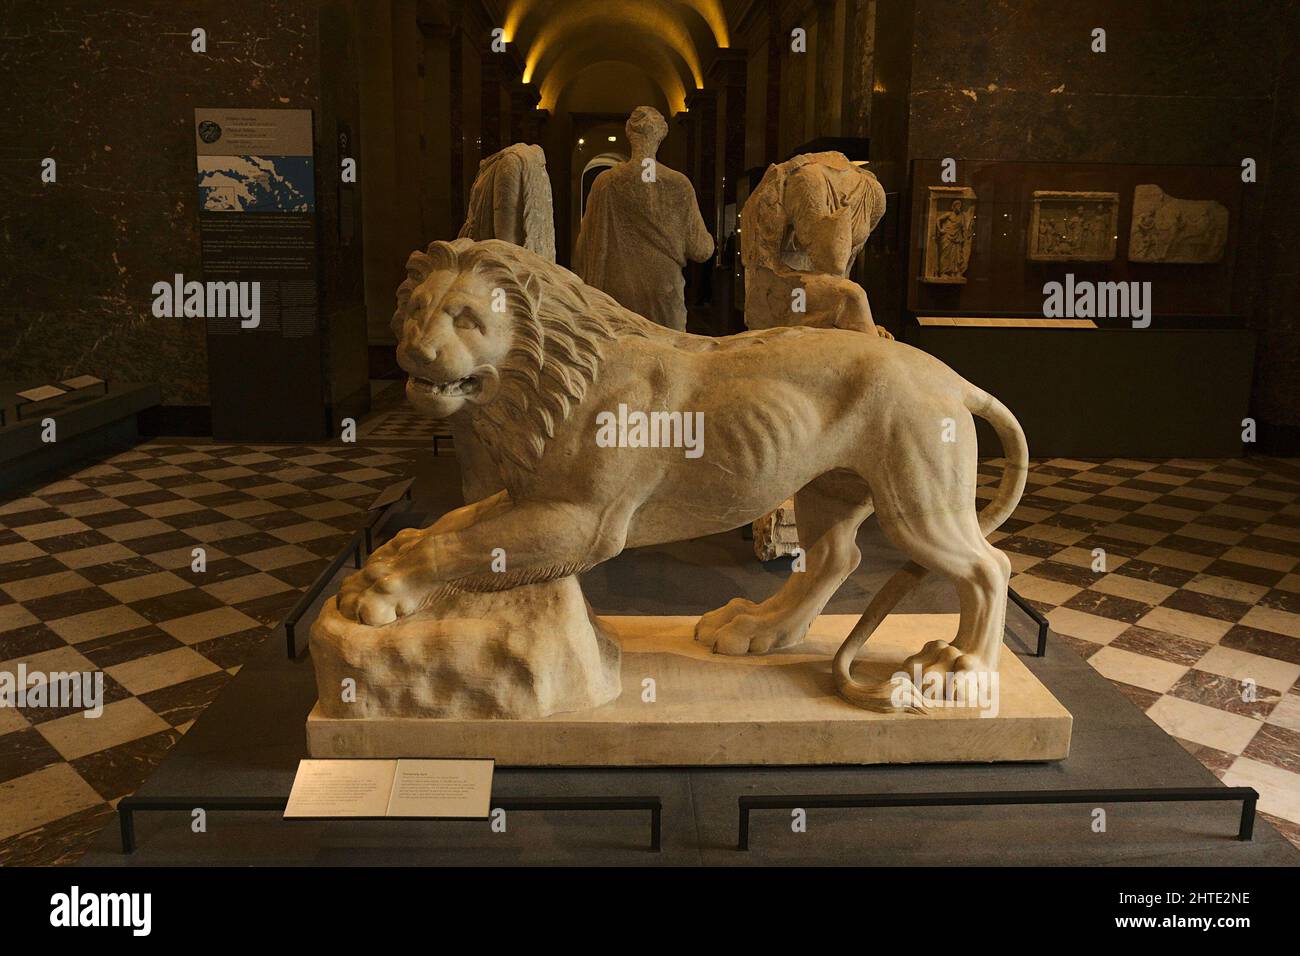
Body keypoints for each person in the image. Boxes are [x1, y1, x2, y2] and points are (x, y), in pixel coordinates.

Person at [572, 106, 714, 331]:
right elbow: (701, 249)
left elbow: (584, 248)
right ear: (661, 135)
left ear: (630, 133)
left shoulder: (605, 183)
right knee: (667, 358)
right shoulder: (679, 184)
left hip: (616, 294)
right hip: (663, 292)